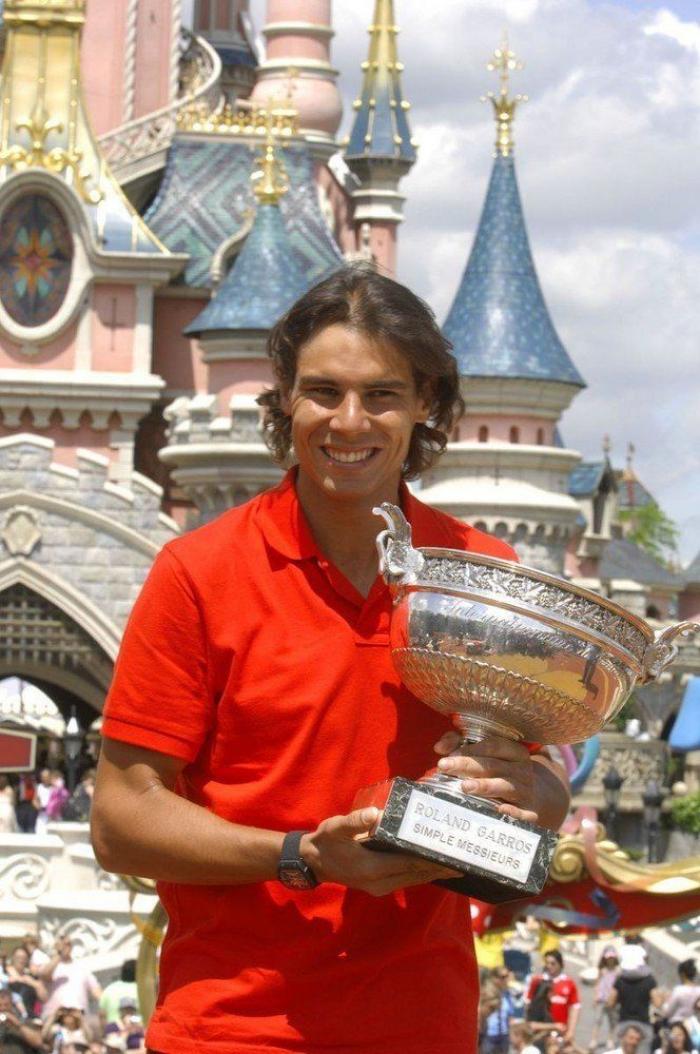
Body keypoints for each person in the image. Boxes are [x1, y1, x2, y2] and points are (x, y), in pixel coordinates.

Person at [91, 266, 571, 1054]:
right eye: (323, 392)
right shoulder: (198, 573)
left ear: (424, 402)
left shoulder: (482, 571)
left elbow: (538, 782)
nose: (349, 422)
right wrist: (302, 856)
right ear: (285, 397)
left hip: (422, 1026)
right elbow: (119, 822)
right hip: (234, 1029)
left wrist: (538, 795)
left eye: (380, 395)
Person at [609, 943, 658, 1049]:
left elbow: (611, 1002)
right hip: (643, 1023)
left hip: (624, 1022)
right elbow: (657, 1002)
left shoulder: (620, 979)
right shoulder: (649, 980)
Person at [38, 937, 102, 1020]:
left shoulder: (82, 968)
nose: (65, 947)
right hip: (56, 1018)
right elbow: (45, 974)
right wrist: (59, 954)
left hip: (79, 1018)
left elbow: (96, 991)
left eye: (68, 944)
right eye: (62, 944)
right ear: (56, 946)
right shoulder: (47, 965)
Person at [526, 950, 581, 1044]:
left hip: (560, 1032)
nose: (549, 966)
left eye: (553, 963)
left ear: (561, 964)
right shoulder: (537, 981)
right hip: (539, 1032)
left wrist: (571, 1031)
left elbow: (574, 1007)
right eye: (547, 963)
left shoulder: (568, 983)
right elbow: (528, 1004)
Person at [481, 967, 521, 1054]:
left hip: (504, 1034)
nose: (506, 980)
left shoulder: (508, 994)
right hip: (489, 1034)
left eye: (507, 976)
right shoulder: (486, 993)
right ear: (494, 978)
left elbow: (510, 1016)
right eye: (503, 977)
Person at [590, 947, 621, 1051]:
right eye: (608, 958)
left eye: (612, 958)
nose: (610, 960)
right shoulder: (602, 970)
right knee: (597, 1020)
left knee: (612, 1021)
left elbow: (618, 986)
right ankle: (593, 1040)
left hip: (612, 1000)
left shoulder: (617, 972)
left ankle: (610, 1039)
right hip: (601, 998)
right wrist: (595, 996)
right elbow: (598, 983)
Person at [5, 946, 47, 1019]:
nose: (21, 960)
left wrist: (34, 983)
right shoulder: (4, 973)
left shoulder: (31, 977)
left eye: (24, 958)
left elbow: (44, 998)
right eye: (18, 957)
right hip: (8, 1016)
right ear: (13, 958)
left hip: (28, 1017)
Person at [0, 983, 43, 1052]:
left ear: (12, 1004)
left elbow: (38, 1042)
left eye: (6, 1005)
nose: (2, 1008)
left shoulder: (24, 1021)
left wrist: (17, 1024)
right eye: (0, 1005)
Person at [99, 960, 137, 1027]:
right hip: (140, 1029)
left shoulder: (108, 990)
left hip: (112, 1030)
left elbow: (102, 1016)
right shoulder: (142, 989)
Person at [660, 961, 700, 1026]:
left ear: (682, 974)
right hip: (690, 1025)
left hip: (675, 1024)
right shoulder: (698, 990)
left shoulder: (679, 990)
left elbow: (668, 1012)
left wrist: (664, 1002)